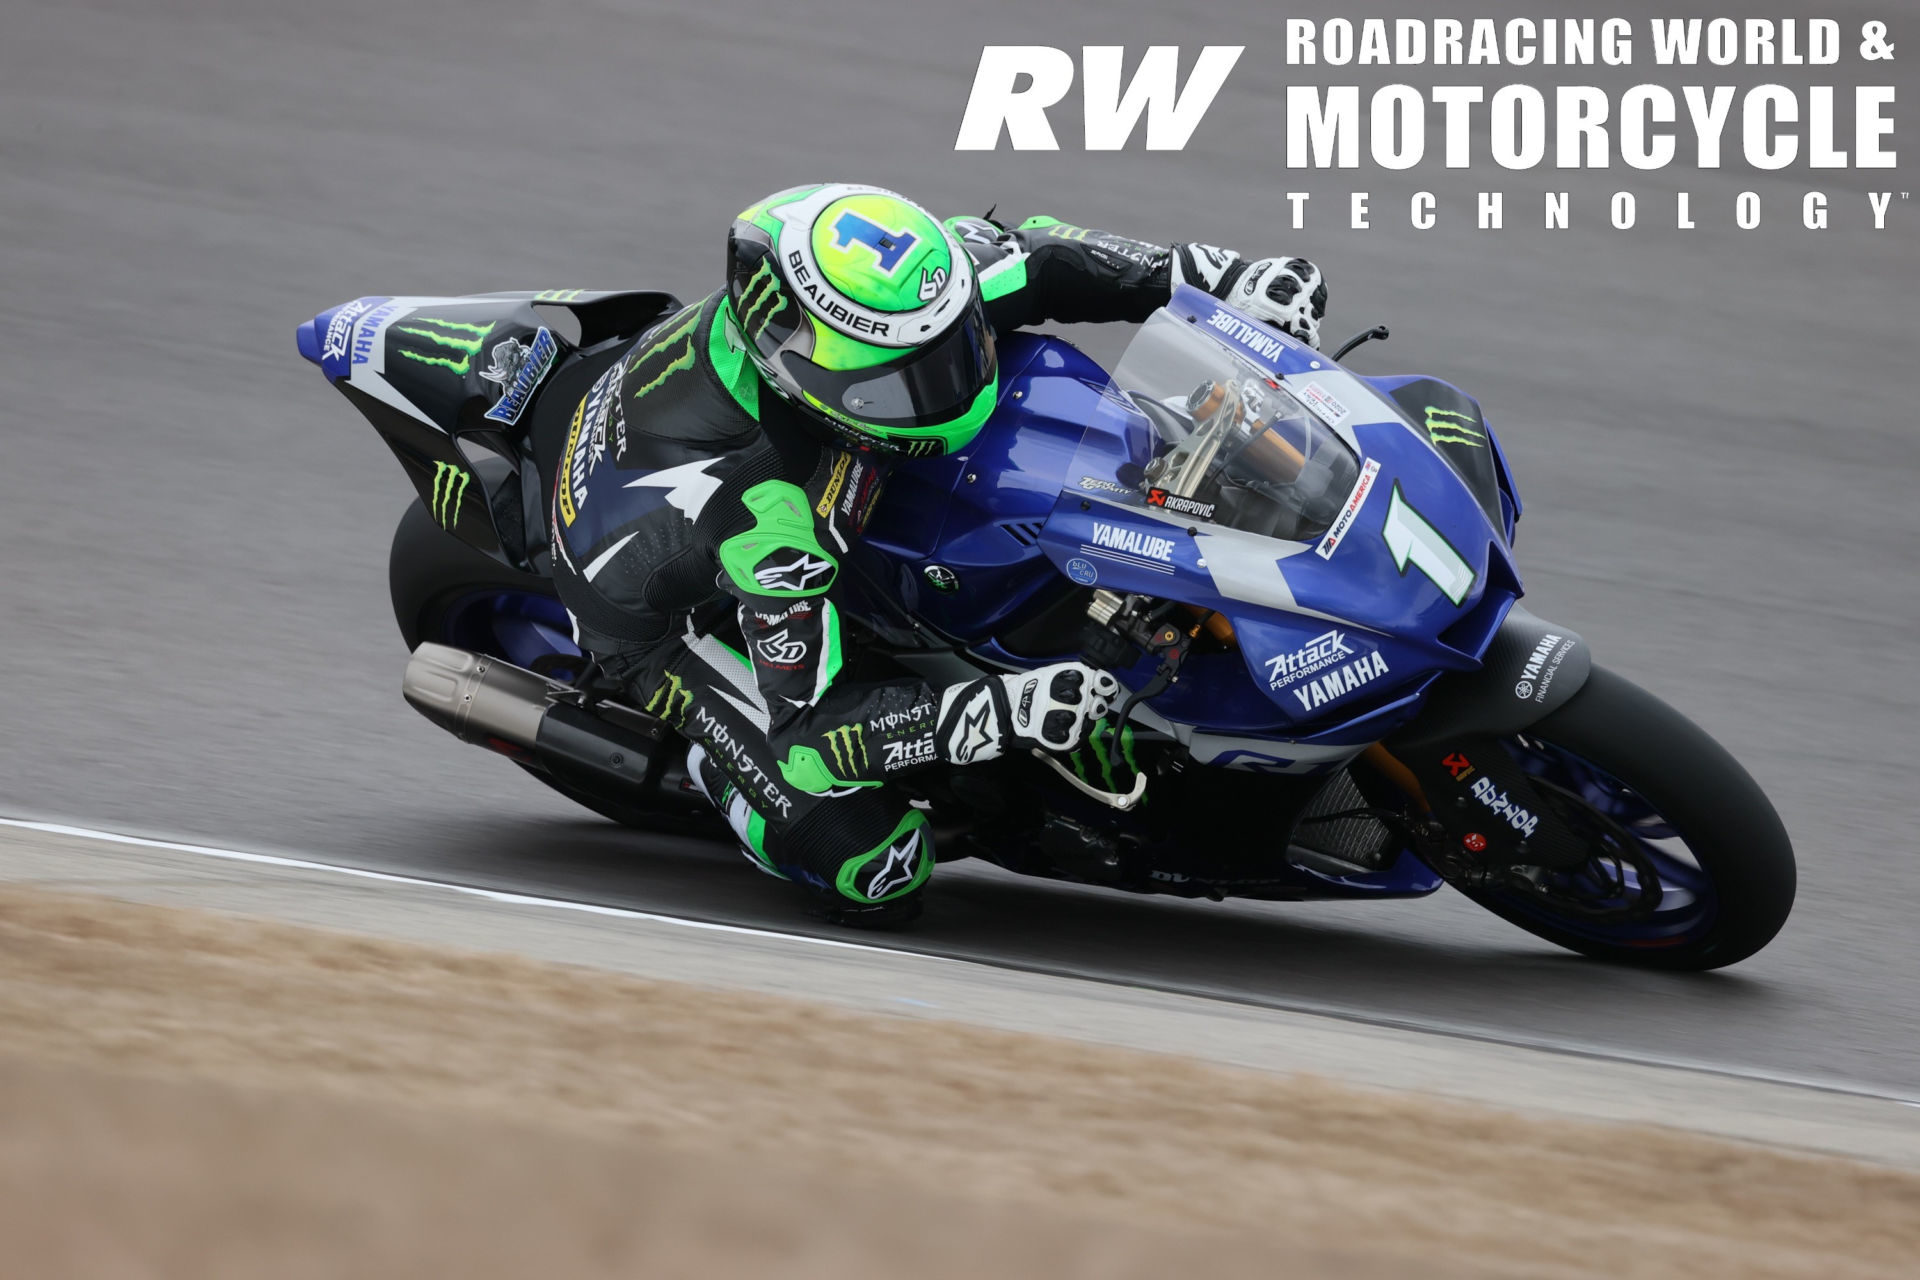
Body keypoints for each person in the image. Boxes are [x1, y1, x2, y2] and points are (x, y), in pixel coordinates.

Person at [548, 183, 1327, 926]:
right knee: (874, 865)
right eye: (908, 381)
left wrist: (1220, 276)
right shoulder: (769, 514)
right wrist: (1001, 713)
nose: (950, 376)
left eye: (951, 346)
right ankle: (718, 774)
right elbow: (813, 732)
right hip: (665, 630)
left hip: (736, 470)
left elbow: (1045, 257)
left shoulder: (898, 306)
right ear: (811, 382)